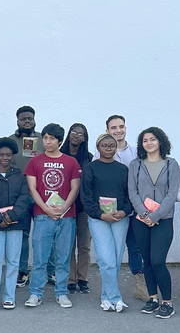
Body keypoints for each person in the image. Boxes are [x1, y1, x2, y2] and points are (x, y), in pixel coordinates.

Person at [24, 123, 81, 309]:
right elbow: (32, 189)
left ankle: (62, 293)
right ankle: (35, 293)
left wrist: (64, 207)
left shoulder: (71, 162)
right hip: (42, 215)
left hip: (67, 217)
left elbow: (75, 187)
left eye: (52, 139)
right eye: (45, 138)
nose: (47, 142)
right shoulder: (35, 162)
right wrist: (46, 209)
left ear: (60, 141)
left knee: (63, 258)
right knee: (40, 258)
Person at [128, 128, 180, 319]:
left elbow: (172, 194)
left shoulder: (171, 164)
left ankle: (168, 302)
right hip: (140, 220)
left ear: (161, 142)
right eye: (145, 140)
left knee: (158, 260)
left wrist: (155, 215)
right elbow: (132, 191)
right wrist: (143, 213)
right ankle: (153, 299)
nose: (149, 143)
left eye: (153, 139)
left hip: (163, 220)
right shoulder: (136, 164)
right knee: (147, 261)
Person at [94, 115, 147, 302]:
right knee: (110, 255)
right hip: (109, 212)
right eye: (114, 127)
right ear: (107, 130)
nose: (118, 130)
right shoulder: (98, 156)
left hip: (133, 207)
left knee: (135, 247)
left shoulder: (136, 153)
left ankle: (140, 286)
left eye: (121, 127)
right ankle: (111, 294)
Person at [0, 138, 32, 313]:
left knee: (13, 262)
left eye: (8, 155)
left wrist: (10, 216)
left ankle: (9, 298)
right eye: (1, 154)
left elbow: (24, 198)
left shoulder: (19, 176)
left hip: (15, 225)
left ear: (12, 155)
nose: (5, 158)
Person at [81, 134, 132, 312]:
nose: (108, 148)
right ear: (98, 148)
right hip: (99, 219)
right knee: (106, 259)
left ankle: (106, 297)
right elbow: (86, 198)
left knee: (116, 260)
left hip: (120, 218)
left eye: (112, 145)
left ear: (116, 147)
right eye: (104, 145)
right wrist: (101, 215)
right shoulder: (90, 168)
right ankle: (116, 297)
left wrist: (124, 211)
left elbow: (129, 195)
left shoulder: (123, 169)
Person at [8, 105, 44, 287]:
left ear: (34, 119)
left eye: (30, 118)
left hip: (42, 194)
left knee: (44, 233)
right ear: (18, 121)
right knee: (21, 234)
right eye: (23, 119)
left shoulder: (44, 140)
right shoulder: (11, 141)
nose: (27, 121)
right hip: (20, 194)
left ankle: (46, 270)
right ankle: (22, 271)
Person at [60, 123, 93, 294]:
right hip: (63, 206)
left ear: (85, 138)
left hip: (83, 208)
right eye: (74, 132)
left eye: (81, 134)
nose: (77, 135)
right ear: (68, 134)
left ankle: (83, 278)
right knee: (68, 246)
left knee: (84, 245)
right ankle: (70, 279)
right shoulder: (60, 155)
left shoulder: (89, 157)